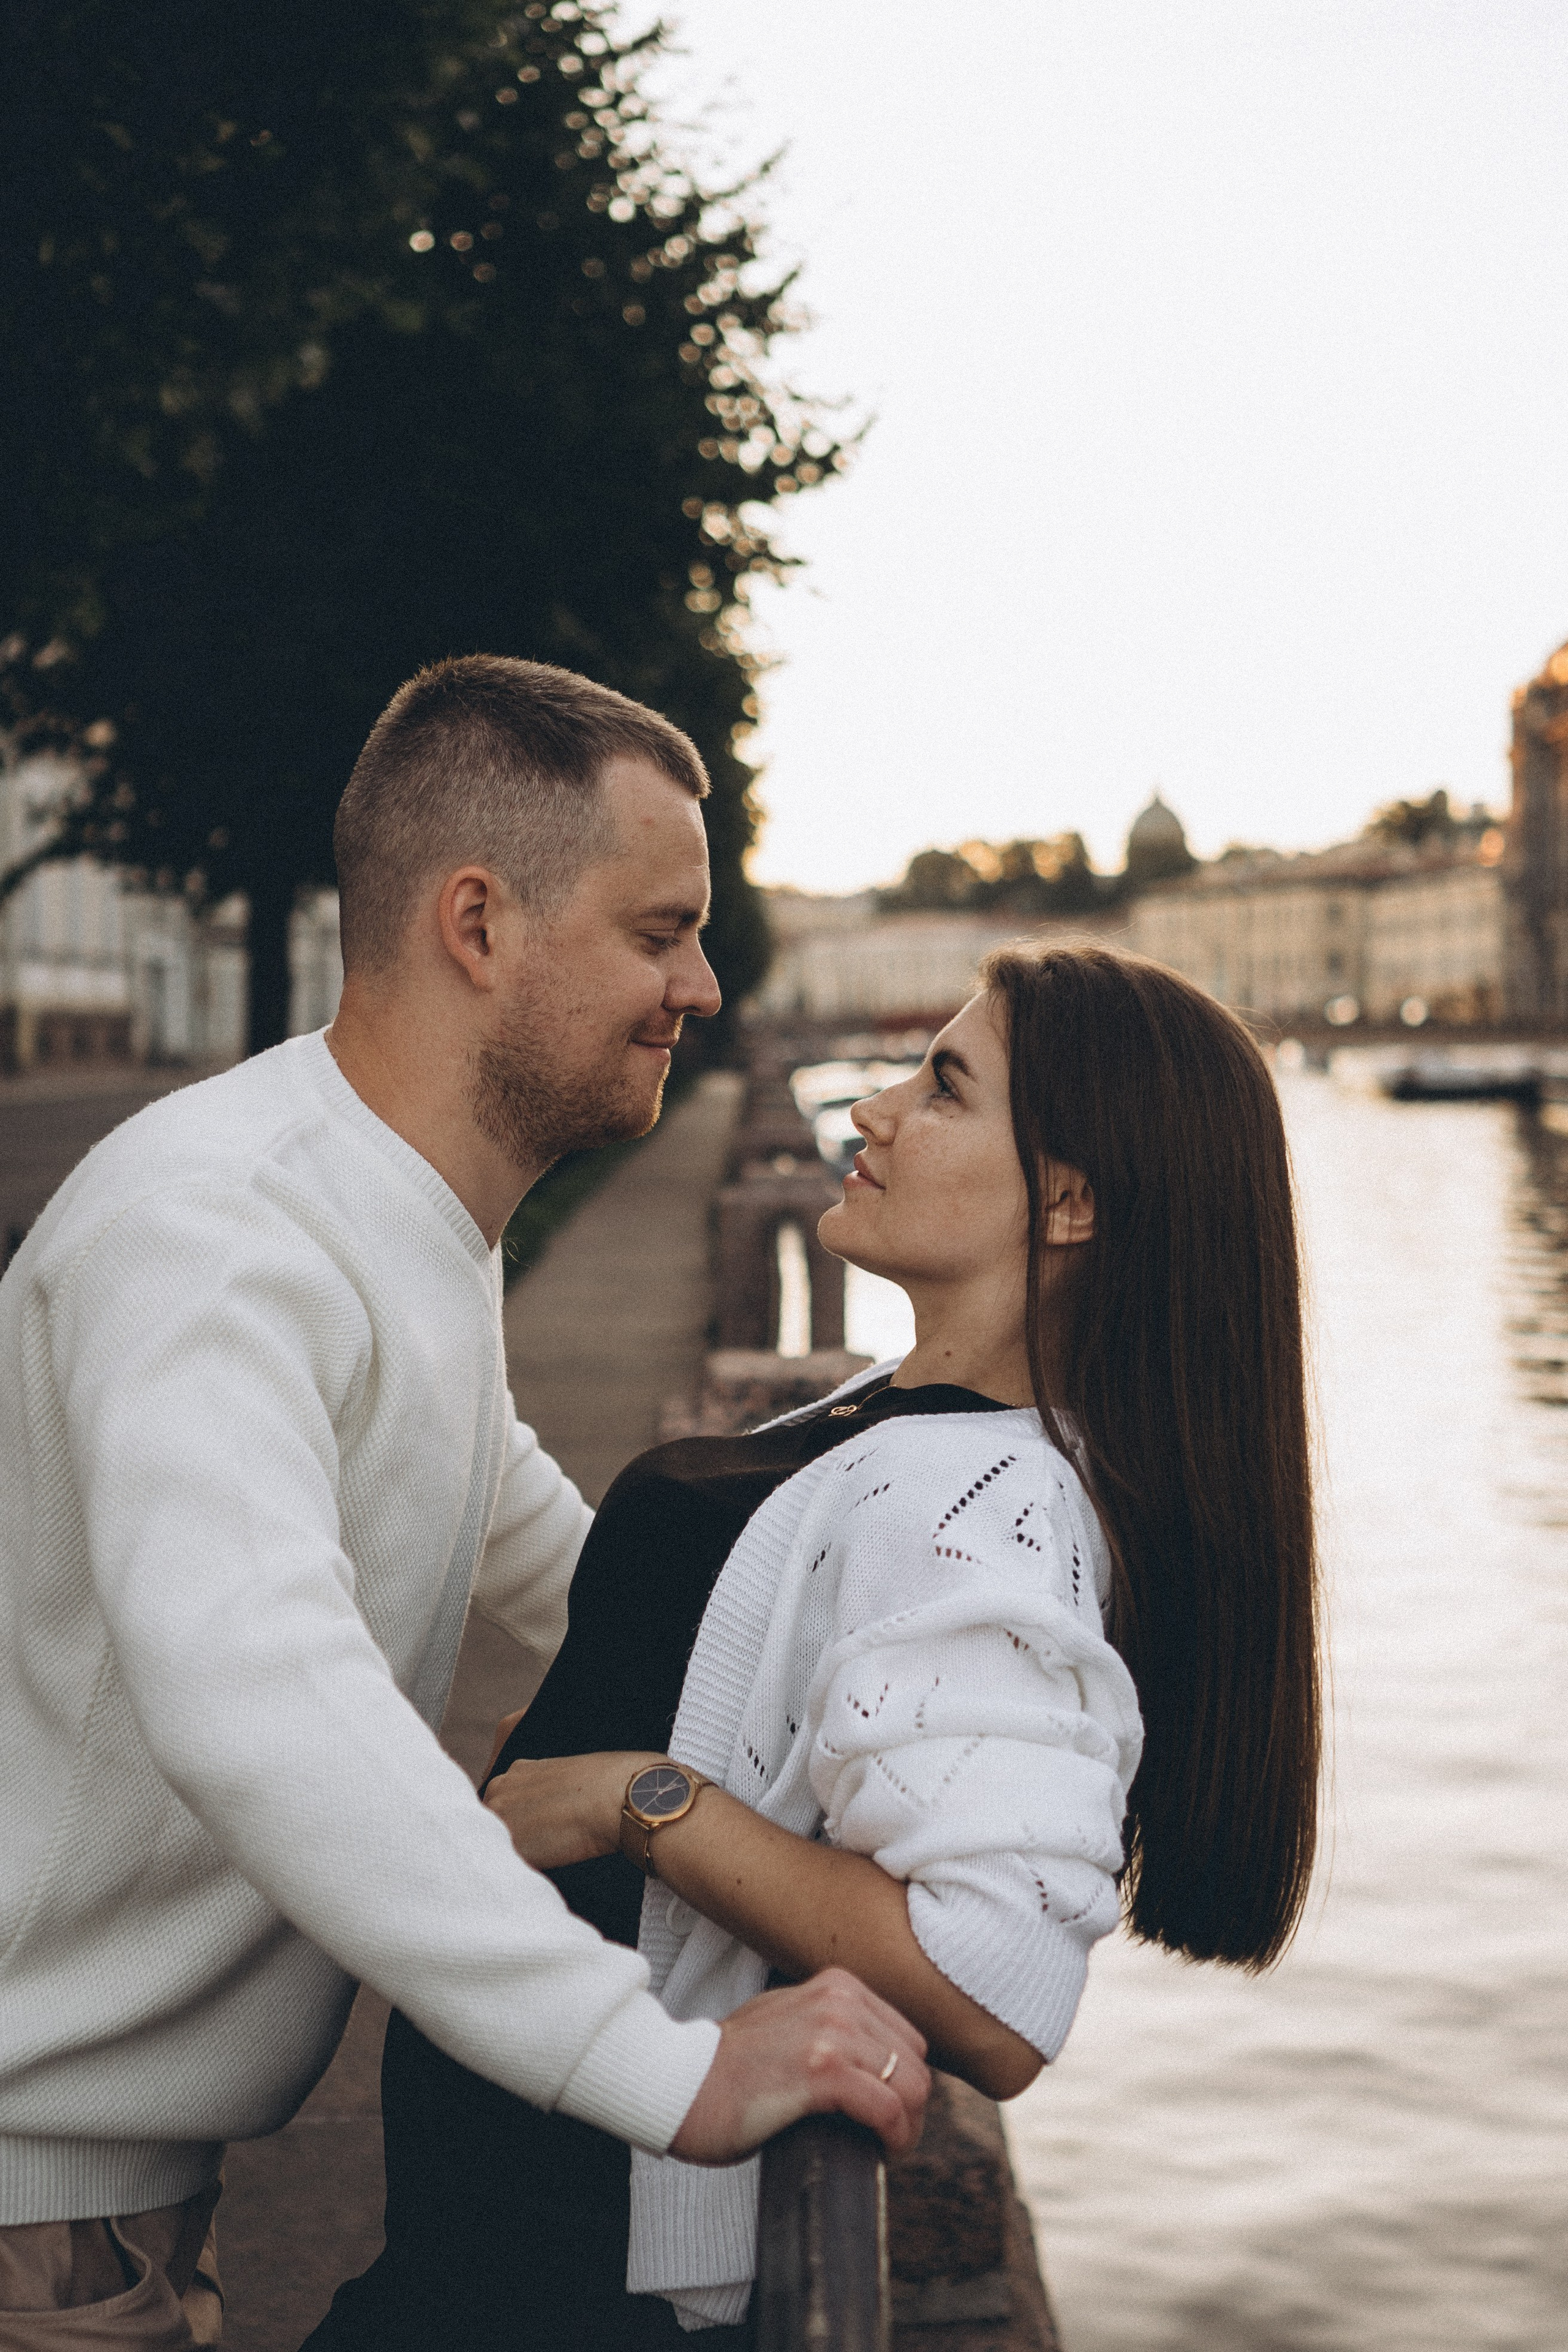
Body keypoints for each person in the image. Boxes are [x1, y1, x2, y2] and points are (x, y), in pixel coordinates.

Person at [0, 657, 928, 2349]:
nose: (707, 988)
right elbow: (259, 1696)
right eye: (661, 933)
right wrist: (664, 2070)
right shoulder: (219, 1231)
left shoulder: (407, 1226)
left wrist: (834, 1759)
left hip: (114, 2186)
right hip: (34, 2202)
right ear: (481, 925)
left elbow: (540, 1544)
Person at [311, 943, 1322, 2350]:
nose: (873, 1111)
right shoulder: (911, 1415)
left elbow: (994, 1988)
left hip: (575, 2270)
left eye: (946, 1089)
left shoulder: (984, 1503)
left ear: (1072, 1202)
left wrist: (631, 1797)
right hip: (512, 2212)